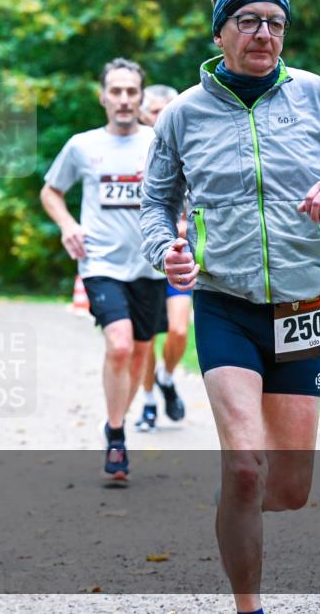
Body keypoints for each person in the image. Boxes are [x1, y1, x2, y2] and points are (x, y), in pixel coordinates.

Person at [139, 0, 320, 614]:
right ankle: (248, 602)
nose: (263, 33)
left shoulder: (318, 97)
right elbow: (154, 201)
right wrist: (164, 250)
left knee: (288, 486)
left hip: (303, 305)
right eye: (248, 21)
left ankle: (237, 502)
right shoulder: (183, 116)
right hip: (224, 303)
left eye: (275, 23)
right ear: (220, 31)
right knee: (248, 467)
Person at [40, 57, 166, 482]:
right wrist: (68, 225)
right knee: (120, 345)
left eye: (132, 91)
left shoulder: (159, 141)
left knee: (141, 354)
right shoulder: (82, 146)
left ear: (142, 97)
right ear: (103, 97)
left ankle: (115, 420)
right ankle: (116, 436)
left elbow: (182, 190)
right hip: (101, 263)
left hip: (151, 265)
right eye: (117, 91)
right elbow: (51, 191)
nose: (125, 99)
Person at [135, 84, 188, 432]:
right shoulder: (131, 148)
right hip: (140, 264)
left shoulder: (190, 143)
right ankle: (150, 401)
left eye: (167, 109)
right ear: (143, 114)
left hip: (180, 259)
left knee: (180, 331)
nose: (162, 117)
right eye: (155, 111)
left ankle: (167, 378)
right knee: (145, 342)